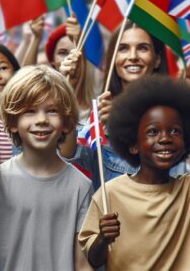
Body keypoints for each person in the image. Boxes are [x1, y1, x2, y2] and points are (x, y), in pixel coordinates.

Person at [0, 65, 93, 271]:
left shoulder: (81, 185)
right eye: (30, 111)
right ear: (13, 121)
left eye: (52, 111)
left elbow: (82, 263)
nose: (41, 120)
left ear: (66, 123)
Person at [79, 75, 190, 270]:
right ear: (132, 144)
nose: (165, 138)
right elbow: (94, 259)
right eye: (153, 132)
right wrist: (104, 239)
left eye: (175, 131)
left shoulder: (186, 190)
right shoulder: (110, 193)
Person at [61, 21, 179, 190]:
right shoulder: (99, 114)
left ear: (157, 59)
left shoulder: (177, 118)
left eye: (143, 48)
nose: (132, 56)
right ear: (113, 58)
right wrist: (68, 89)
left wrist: (123, 127)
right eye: (123, 48)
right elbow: (69, 155)